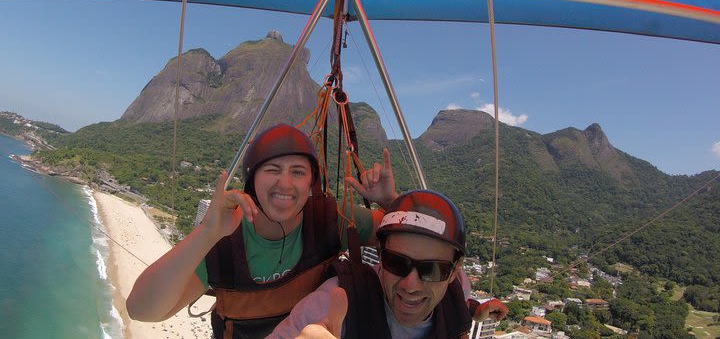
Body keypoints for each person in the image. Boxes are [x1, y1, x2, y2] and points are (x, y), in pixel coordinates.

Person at [126, 123, 398, 339]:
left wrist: (389, 202)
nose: (285, 183)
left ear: (311, 183)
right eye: (272, 169)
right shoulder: (225, 241)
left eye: (298, 172)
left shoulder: (330, 218)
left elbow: (402, 238)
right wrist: (207, 233)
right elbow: (141, 310)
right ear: (252, 179)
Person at [270, 189, 509, 339]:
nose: (410, 284)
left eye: (431, 270)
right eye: (397, 262)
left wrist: (476, 311)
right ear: (381, 258)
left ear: (453, 273)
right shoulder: (335, 304)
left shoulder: (457, 290)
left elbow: (456, 305)